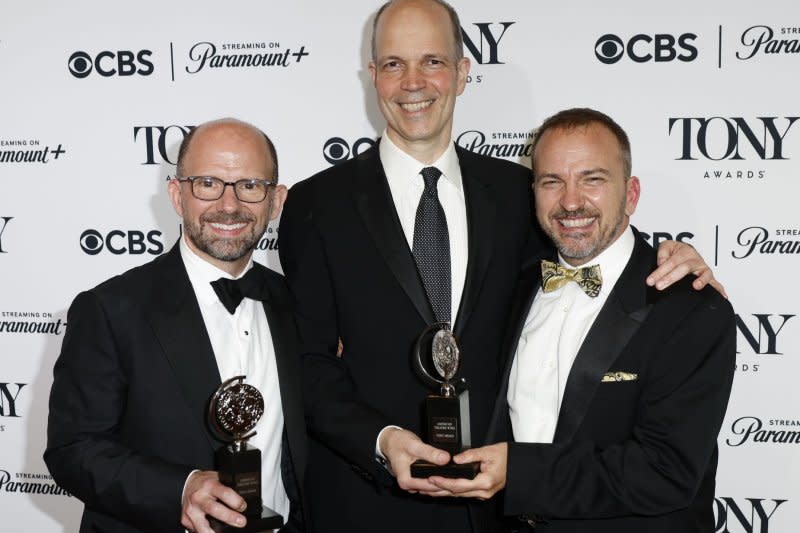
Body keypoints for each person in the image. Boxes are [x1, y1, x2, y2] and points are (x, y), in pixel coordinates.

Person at [278, 1, 719, 531]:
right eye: (394, 64)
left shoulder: (519, 193)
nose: (413, 82)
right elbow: (307, 361)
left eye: (433, 61)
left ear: (464, 73)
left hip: (498, 509)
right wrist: (379, 441)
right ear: (372, 76)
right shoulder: (315, 204)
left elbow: (592, 241)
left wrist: (675, 258)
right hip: (369, 503)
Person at [428, 108, 736, 533]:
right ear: (533, 191)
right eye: (552, 181)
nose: (571, 202)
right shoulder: (513, 288)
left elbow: (666, 471)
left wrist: (519, 472)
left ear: (630, 194)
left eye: (592, 179)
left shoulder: (692, 309)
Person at [45, 118, 308, 533]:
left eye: (250, 185)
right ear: (177, 194)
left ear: (275, 201)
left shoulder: (297, 304)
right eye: (208, 183)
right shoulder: (111, 309)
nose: (229, 204)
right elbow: (72, 450)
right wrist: (180, 489)